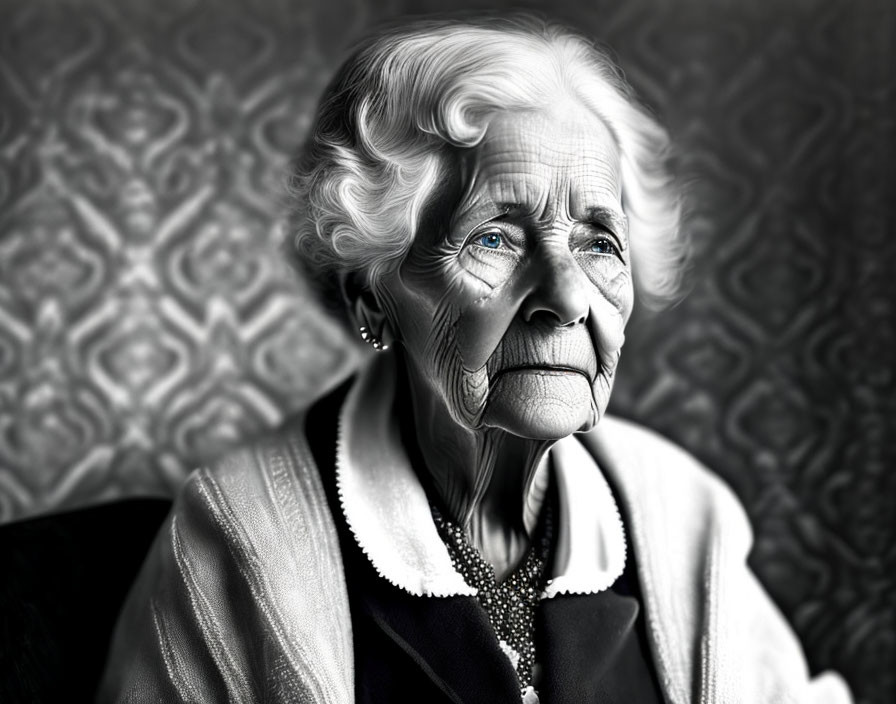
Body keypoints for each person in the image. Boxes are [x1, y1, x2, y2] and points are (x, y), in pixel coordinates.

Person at [99, 15, 853, 704]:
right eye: (495, 237)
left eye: (598, 243)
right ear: (374, 294)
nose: (565, 297)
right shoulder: (238, 539)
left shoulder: (684, 516)